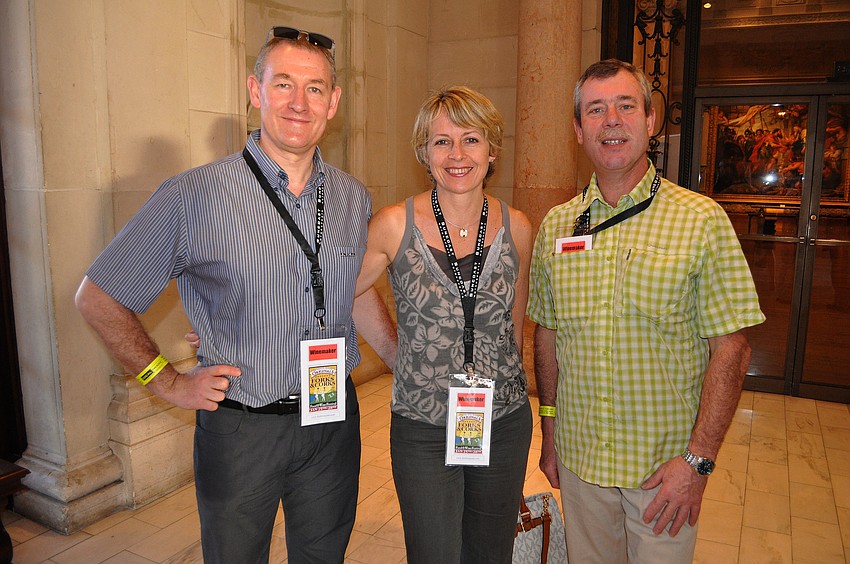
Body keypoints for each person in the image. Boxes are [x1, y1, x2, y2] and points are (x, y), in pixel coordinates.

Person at [75, 26, 394, 564]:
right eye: (283, 84)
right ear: (255, 90)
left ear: (334, 102)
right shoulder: (193, 195)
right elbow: (98, 297)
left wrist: (400, 360)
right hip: (242, 427)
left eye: (315, 88)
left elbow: (348, 291)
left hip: (332, 422)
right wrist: (168, 381)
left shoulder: (351, 197)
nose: (299, 102)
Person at [527, 59, 765, 563]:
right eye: (595, 110)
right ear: (577, 130)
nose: (611, 120)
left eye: (625, 106)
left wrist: (697, 462)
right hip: (582, 464)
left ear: (651, 120)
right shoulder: (556, 227)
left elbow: (732, 347)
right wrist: (550, 434)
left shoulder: (701, 220)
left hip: (663, 473)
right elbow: (546, 336)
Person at [354, 86, 533, 563]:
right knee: (434, 552)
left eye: (470, 140)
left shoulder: (517, 226)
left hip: (503, 421)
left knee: (490, 552)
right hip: (423, 425)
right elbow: (335, 291)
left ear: (492, 150)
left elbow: (512, 328)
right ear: (424, 153)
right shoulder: (394, 224)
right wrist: (395, 352)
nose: (457, 155)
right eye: (441, 141)